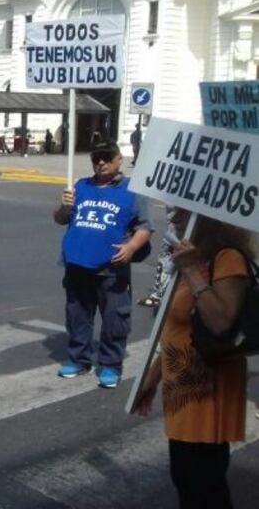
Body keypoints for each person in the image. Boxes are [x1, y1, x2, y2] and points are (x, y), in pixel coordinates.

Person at [134, 210, 254, 509]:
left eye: (182, 213)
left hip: (207, 394)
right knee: (187, 479)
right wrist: (152, 377)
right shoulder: (191, 257)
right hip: (183, 390)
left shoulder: (226, 258)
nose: (173, 218)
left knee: (203, 488)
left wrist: (190, 272)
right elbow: (177, 329)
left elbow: (220, 321)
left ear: (207, 218)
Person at [53, 141, 153, 388]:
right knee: (77, 315)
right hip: (77, 264)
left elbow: (145, 227)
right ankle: (79, 359)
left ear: (119, 159)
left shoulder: (131, 190)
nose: (101, 162)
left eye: (107, 157)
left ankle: (110, 365)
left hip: (111, 267)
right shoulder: (80, 186)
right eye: (96, 158)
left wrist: (131, 247)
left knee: (114, 318)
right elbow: (60, 219)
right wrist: (65, 206)